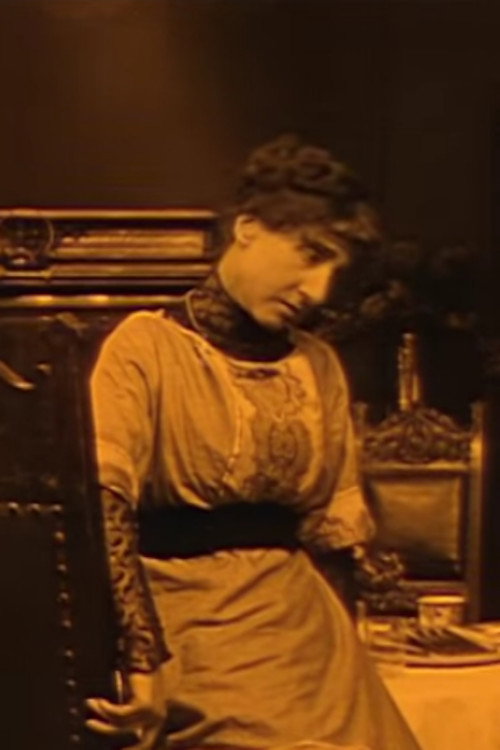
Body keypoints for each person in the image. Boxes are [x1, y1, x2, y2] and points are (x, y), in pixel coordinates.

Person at [86, 134, 421, 750]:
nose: (318, 290)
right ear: (247, 228)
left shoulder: (318, 365)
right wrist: (141, 662)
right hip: (192, 626)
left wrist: (351, 665)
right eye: (310, 254)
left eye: (335, 271)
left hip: (308, 631)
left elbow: (332, 537)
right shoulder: (145, 349)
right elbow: (106, 516)